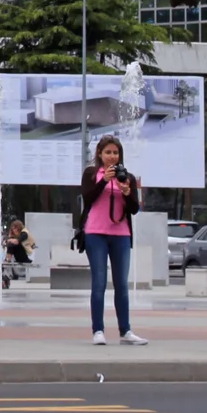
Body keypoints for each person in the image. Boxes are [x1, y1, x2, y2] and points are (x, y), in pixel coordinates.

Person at [77, 135, 147, 347]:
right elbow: (87, 198)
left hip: (121, 235)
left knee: (121, 285)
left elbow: (134, 209)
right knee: (99, 283)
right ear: (100, 154)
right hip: (95, 233)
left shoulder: (128, 177)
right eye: (108, 152)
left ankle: (125, 330)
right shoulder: (91, 173)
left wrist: (127, 192)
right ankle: (98, 330)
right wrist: (104, 181)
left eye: (115, 153)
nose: (112, 157)